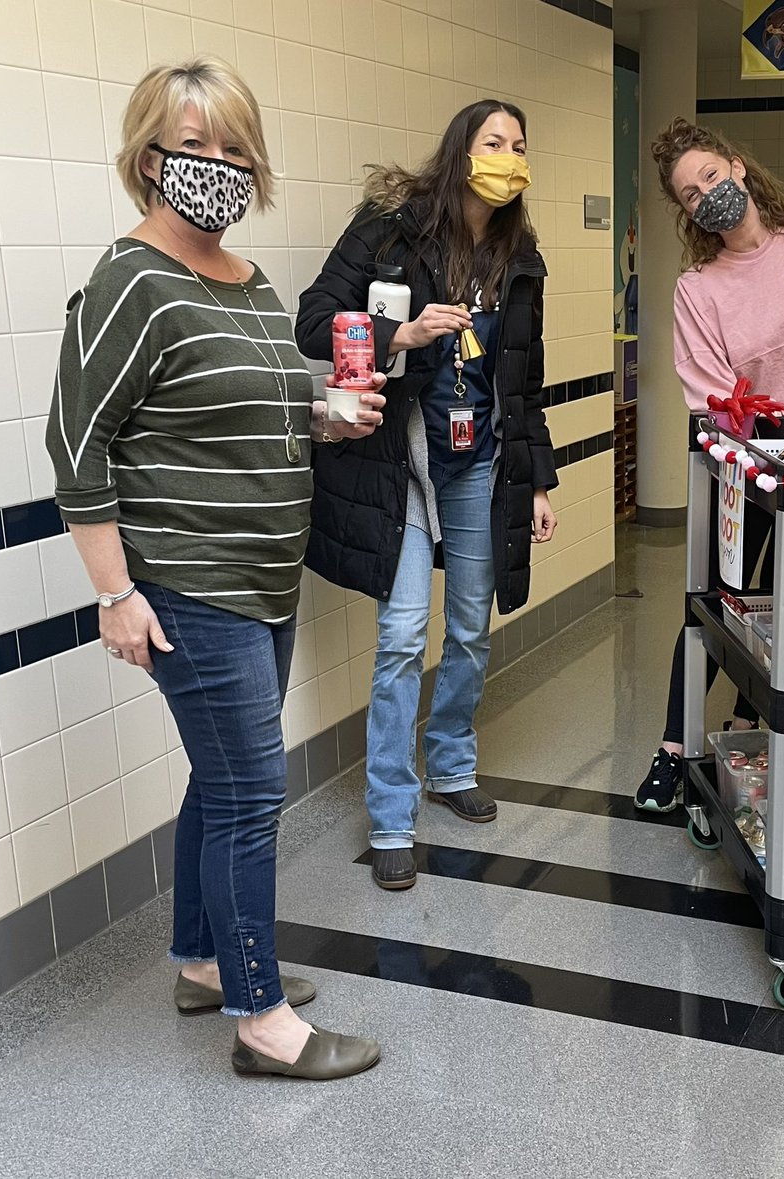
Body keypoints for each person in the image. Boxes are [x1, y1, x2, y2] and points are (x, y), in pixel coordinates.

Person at [45, 57, 385, 1081]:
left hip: (264, 583)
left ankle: (201, 960)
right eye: (195, 146)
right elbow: (76, 443)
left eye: (236, 148)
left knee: (224, 779)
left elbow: (255, 412)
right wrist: (115, 593)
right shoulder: (131, 278)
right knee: (252, 793)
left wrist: (324, 414)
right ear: (148, 154)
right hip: (192, 588)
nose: (218, 167)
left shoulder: (247, 277)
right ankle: (261, 1018)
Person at [296, 100, 558, 891]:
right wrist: (398, 336)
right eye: (493, 142)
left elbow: (524, 381)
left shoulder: (521, 255)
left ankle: (449, 764)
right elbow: (313, 321)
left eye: (519, 144)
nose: (509, 156)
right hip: (398, 457)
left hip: (478, 460)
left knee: (472, 625)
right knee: (406, 633)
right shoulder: (391, 228)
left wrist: (540, 479)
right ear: (460, 151)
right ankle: (389, 815)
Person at [633, 117, 784, 814]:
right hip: (742, 473)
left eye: (710, 176)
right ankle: (675, 748)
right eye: (688, 194)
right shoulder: (698, 289)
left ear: (738, 167)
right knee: (712, 601)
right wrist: (765, 436)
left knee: (779, 598)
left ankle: (742, 725)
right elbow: (708, 387)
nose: (706, 195)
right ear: (686, 213)